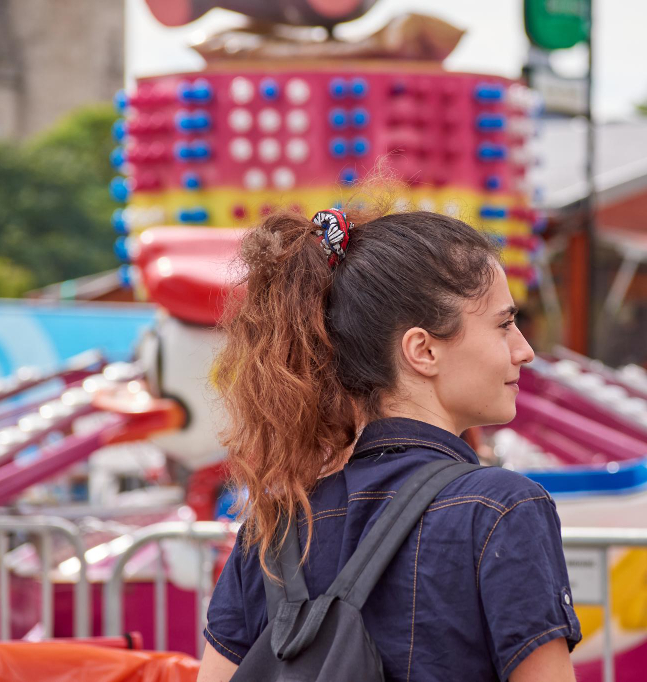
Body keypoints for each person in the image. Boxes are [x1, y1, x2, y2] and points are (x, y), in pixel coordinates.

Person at [197, 208, 581, 682]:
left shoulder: (275, 527)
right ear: (423, 350)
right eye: (504, 325)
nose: (524, 349)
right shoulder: (501, 508)